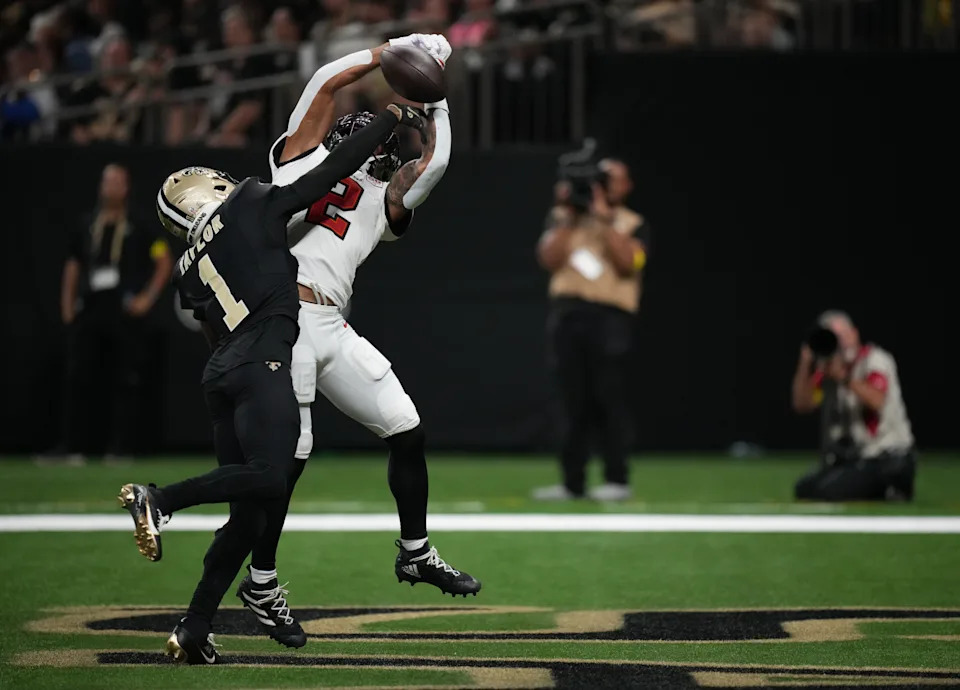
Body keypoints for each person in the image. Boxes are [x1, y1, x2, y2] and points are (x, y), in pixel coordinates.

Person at [117, 104, 422, 665]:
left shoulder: (190, 260)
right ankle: (159, 500)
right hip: (262, 360)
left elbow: (211, 323)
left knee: (249, 513)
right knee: (269, 476)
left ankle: (193, 628)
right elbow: (325, 179)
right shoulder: (253, 203)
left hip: (222, 371)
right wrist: (387, 120)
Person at [230, 32, 480, 643]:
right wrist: (394, 50)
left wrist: (434, 94)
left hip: (332, 325)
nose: (392, 149)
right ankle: (261, 582)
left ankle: (415, 551)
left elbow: (436, 163)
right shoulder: (298, 163)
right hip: (282, 323)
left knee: (405, 425)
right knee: (290, 460)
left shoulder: (379, 194)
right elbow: (323, 84)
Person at [533, 157, 651, 502]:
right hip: (568, 316)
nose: (599, 186)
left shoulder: (633, 223)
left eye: (609, 179)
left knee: (608, 398)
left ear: (626, 186)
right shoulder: (564, 219)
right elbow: (548, 259)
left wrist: (603, 217)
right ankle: (573, 483)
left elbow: (630, 263)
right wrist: (568, 213)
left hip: (609, 317)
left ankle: (617, 479)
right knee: (571, 401)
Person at [54, 163, 171, 461]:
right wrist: (68, 305)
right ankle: (75, 447)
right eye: (107, 182)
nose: (111, 187)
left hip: (125, 311)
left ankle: (121, 449)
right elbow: (73, 265)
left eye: (117, 182)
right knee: (79, 376)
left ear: (127, 187)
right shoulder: (87, 223)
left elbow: (163, 260)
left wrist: (147, 298)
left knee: (127, 378)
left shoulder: (140, 224)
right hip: (91, 307)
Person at [791, 310, 916, 501]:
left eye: (844, 334)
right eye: (835, 337)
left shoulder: (874, 360)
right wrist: (805, 362)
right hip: (854, 462)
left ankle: (893, 487)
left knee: (828, 492)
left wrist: (843, 377)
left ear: (855, 333)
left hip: (887, 458)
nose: (842, 342)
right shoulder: (828, 369)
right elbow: (802, 404)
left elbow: (877, 401)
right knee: (805, 488)